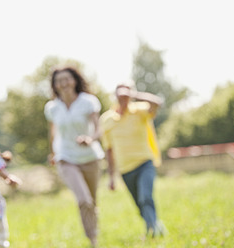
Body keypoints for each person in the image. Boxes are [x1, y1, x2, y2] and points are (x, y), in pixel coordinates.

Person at [44, 66, 105, 247]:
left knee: (92, 202)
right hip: (66, 157)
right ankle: (93, 241)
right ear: (55, 85)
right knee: (83, 199)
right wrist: (53, 153)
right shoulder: (52, 107)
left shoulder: (88, 101)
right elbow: (53, 132)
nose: (63, 83)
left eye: (67, 79)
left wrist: (90, 138)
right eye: (59, 80)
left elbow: (99, 128)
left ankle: (94, 231)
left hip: (90, 157)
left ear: (75, 80)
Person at [99, 83, 167, 237]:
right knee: (139, 204)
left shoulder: (140, 110)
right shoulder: (107, 119)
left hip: (145, 163)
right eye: (120, 93)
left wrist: (134, 94)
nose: (123, 97)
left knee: (146, 197)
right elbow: (109, 150)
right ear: (114, 96)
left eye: (126, 93)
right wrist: (111, 177)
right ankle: (155, 224)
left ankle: (153, 231)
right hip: (125, 169)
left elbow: (158, 102)